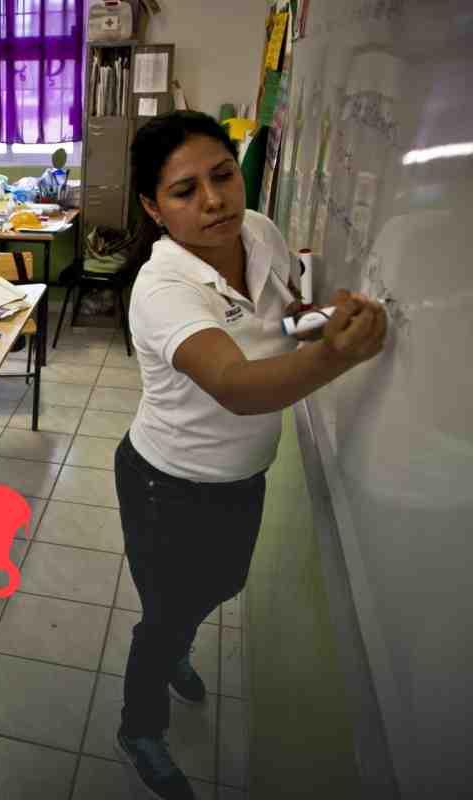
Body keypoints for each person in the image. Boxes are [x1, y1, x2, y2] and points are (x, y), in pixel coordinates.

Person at [113, 111, 387, 800]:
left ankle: (176, 645)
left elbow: (286, 320)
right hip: (166, 485)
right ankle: (140, 727)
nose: (213, 200)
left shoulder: (258, 230)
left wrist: (325, 320)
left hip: (241, 475)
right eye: (185, 191)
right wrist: (337, 356)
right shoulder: (162, 290)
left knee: (220, 584)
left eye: (223, 175)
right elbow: (234, 385)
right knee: (164, 613)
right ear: (154, 207)